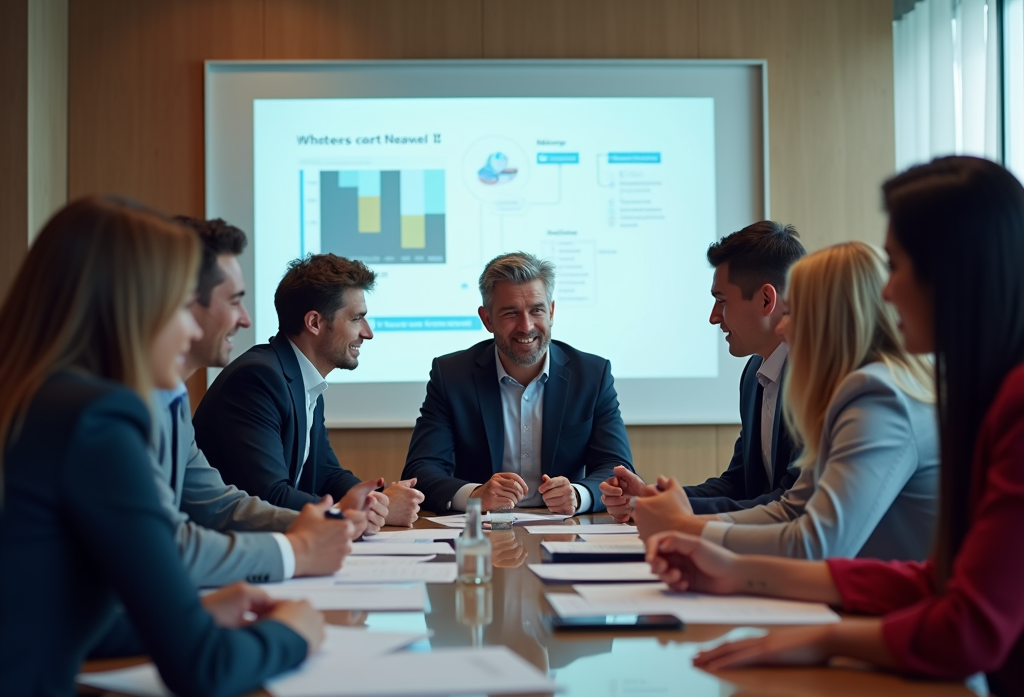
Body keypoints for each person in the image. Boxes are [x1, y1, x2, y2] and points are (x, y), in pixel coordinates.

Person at [645, 156, 1024, 697]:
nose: (888, 294)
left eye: (897, 267)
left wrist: (822, 638)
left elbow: (969, 625)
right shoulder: (978, 389)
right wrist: (737, 570)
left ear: (952, 272)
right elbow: (940, 581)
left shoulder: (904, 395)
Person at [0, 198, 338, 697]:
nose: (193, 327)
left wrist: (194, 614)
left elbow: (47, 611)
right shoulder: (97, 417)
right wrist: (298, 632)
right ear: (128, 308)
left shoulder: (39, 399)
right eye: (183, 306)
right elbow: (202, 669)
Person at [632, 242, 938, 561]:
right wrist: (684, 525)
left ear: (832, 319)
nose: (781, 327)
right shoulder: (857, 389)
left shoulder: (876, 395)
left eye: (791, 312)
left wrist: (687, 528)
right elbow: (791, 509)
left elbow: (817, 544)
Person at [146, 216, 371, 587]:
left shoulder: (170, 399)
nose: (246, 320)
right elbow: (167, 546)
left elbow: (219, 502)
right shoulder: (258, 376)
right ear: (179, 304)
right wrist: (298, 550)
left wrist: (337, 519)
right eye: (234, 301)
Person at [193, 253, 423, 524]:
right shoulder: (258, 378)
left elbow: (327, 473)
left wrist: (378, 499)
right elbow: (268, 496)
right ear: (314, 322)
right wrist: (360, 511)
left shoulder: (302, 377)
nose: (367, 332)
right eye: (356, 319)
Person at [402, 252, 634, 514]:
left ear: (552, 311)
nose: (526, 327)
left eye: (536, 310)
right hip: (484, 531)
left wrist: (579, 495)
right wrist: (476, 495)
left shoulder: (592, 374)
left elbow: (616, 467)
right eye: (511, 313)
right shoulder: (452, 376)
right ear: (487, 319)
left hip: (565, 528)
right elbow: (421, 471)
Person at [601, 221, 805, 518]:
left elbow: (792, 500)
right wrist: (651, 496)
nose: (713, 317)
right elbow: (739, 484)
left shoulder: (816, 378)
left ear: (766, 300)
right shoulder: (754, 374)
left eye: (721, 301)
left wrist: (671, 509)